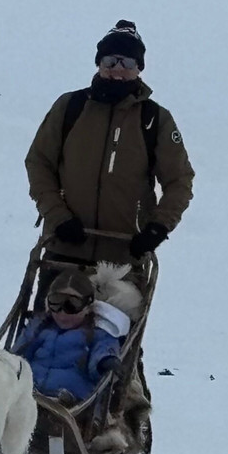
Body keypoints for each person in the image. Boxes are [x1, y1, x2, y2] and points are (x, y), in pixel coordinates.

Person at [25, 20, 195, 270]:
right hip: (63, 247)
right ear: (99, 64)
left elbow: (179, 180)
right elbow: (39, 163)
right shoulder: (70, 107)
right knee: (56, 309)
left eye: (127, 63)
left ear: (139, 68)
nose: (118, 69)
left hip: (125, 257)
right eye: (110, 61)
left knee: (115, 312)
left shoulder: (155, 119)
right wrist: (58, 216)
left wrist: (157, 228)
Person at [14, 270, 121, 404]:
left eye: (72, 305)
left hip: (75, 401)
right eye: (55, 303)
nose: (63, 313)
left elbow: (103, 349)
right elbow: (18, 355)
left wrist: (105, 361)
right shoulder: (39, 327)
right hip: (28, 394)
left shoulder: (98, 333)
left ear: (88, 306)